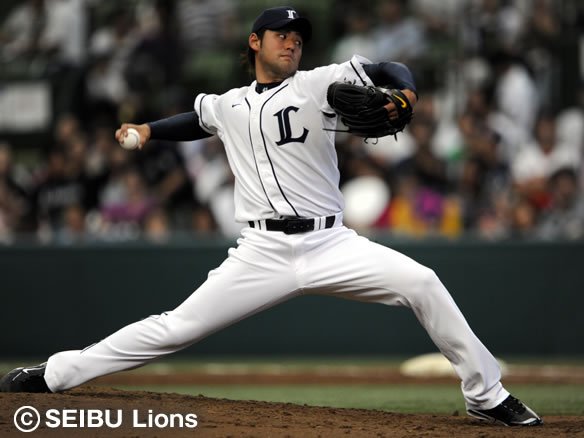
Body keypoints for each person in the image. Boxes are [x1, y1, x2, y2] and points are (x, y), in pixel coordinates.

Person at [0, 6, 542, 427]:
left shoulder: (318, 83)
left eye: (298, 37)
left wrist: (405, 92)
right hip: (261, 252)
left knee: (423, 282)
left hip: (332, 243)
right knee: (175, 328)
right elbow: (196, 118)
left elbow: (385, 68)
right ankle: (55, 374)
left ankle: (486, 395)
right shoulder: (230, 103)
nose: (292, 42)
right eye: (282, 35)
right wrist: (146, 130)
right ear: (255, 42)